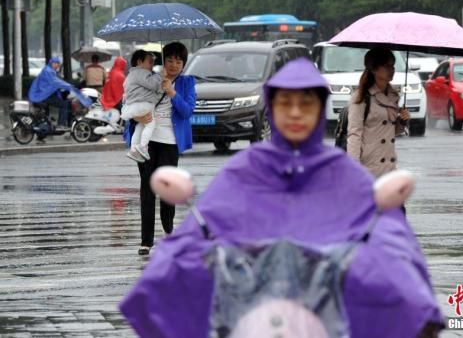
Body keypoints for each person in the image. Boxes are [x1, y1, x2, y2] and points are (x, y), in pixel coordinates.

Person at [119, 58, 443, 337]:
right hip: (254, 313)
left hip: (329, 314)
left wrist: (406, 289)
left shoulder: (342, 173)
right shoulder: (247, 169)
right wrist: (168, 272)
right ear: (272, 108)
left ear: (320, 108)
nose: (295, 113)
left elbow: (386, 232)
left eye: (306, 103)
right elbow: (204, 225)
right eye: (285, 103)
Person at [123, 42, 196, 256]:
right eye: (170, 60)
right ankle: (146, 241)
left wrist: (172, 92)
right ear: (164, 61)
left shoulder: (187, 83)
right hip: (146, 141)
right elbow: (128, 102)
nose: (174, 65)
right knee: (147, 189)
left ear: (183, 63)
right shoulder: (148, 78)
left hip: (170, 143)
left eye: (178, 61)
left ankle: (169, 232)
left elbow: (187, 112)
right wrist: (136, 116)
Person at [347, 47, 410, 179]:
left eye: (393, 66)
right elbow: (354, 134)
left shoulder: (393, 95)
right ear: (374, 69)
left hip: (389, 168)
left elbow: (390, 131)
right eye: (387, 66)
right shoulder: (361, 97)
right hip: (368, 168)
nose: (391, 70)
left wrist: (402, 121)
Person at [121, 50, 164, 162]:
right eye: (150, 62)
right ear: (139, 62)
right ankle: (143, 146)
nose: (152, 65)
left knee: (140, 127)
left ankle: (133, 149)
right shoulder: (141, 72)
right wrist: (161, 75)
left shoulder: (131, 75)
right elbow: (153, 84)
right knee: (151, 124)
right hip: (143, 104)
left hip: (133, 106)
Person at [28, 56, 87, 129]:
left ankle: (69, 124)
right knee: (64, 104)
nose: (57, 65)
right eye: (55, 63)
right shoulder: (49, 71)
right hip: (43, 96)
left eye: (58, 64)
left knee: (67, 102)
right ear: (51, 63)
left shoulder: (50, 70)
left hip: (44, 95)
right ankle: (61, 124)